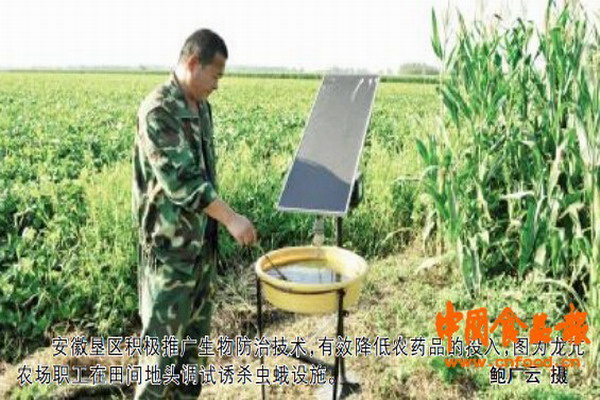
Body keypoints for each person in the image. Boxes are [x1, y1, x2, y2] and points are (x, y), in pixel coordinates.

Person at [132, 28, 257, 399]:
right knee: (159, 364)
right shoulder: (159, 110)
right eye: (215, 75)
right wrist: (231, 219)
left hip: (201, 253)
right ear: (192, 63)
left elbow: (207, 176)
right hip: (171, 258)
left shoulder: (201, 108)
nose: (217, 85)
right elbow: (184, 184)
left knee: (192, 362)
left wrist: (217, 230)